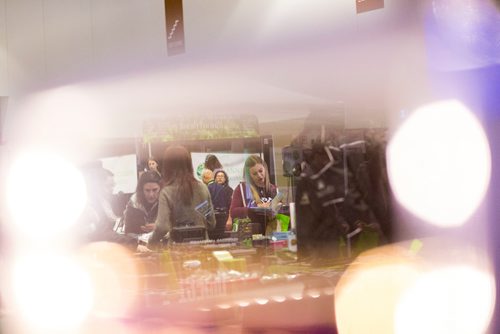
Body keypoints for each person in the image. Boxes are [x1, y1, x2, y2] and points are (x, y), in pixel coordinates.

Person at [148, 145, 216, 247]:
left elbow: (162, 227)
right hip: (203, 249)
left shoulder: (167, 192)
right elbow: (211, 223)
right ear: (189, 163)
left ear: (167, 166)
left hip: (178, 250)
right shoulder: (202, 188)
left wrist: (151, 242)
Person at [230, 155, 278, 235]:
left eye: (261, 171)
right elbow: (233, 212)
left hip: (272, 233)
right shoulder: (242, 189)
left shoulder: (273, 189)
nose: (259, 176)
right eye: (254, 174)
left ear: (265, 169)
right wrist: (253, 209)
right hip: (251, 234)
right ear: (249, 176)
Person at [123, 171, 161, 235]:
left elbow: (175, 228)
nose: (151, 195)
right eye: (147, 190)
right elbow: (128, 231)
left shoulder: (166, 200)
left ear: (161, 188)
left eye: (155, 190)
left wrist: (160, 227)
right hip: (138, 241)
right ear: (141, 190)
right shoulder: (134, 202)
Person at [207, 169, 233, 239]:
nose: (220, 178)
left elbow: (231, 205)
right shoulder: (209, 188)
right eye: (218, 176)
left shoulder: (229, 190)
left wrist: (229, 219)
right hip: (213, 218)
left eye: (222, 176)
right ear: (215, 178)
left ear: (225, 179)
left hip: (224, 218)